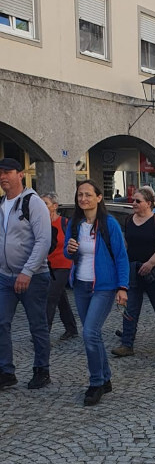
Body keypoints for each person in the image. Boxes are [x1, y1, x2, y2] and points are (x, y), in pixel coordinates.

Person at [65, 180, 129, 406]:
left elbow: (121, 256)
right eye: (80, 195)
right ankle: (105, 377)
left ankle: (96, 383)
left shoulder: (109, 224)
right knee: (93, 334)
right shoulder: (74, 223)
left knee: (89, 333)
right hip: (80, 285)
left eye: (88, 195)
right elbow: (67, 252)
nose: (83, 199)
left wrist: (123, 287)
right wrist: (69, 250)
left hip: (104, 286)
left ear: (99, 198)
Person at [0, 157, 52, 390]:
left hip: (34, 276)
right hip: (4, 276)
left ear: (20, 174)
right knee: (1, 322)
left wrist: (27, 271)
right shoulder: (2, 204)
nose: (3, 177)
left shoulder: (33, 203)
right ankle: (6, 371)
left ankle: (42, 370)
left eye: (8, 172)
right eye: (0, 173)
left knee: (37, 325)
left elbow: (43, 241)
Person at [112, 187, 155, 358]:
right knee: (130, 307)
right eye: (133, 200)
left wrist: (150, 263)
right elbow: (126, 245)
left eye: (138, 201)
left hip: (153, 270)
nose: (134, 203)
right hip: (133, 268)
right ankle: (127, 343)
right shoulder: (129, 220)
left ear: (149, 203)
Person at [42, 192, 79, 340]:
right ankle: (71, 328)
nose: (42, 206)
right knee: (60, 297)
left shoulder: (65, 222)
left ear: (54, 206)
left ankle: (43, 332)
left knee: (50, 296)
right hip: (48, 266)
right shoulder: (40, 224)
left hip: (64, 264)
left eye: (45, 203)